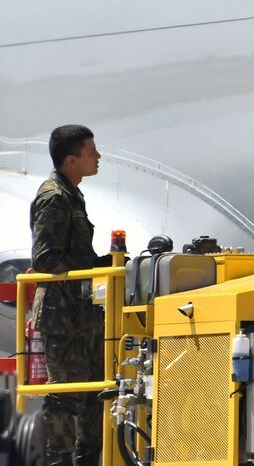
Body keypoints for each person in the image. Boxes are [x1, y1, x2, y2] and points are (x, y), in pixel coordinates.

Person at [30, 125, 113, 466]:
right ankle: (60, 460)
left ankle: (87, 458)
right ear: (70, 160)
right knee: (63, 393)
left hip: (81, 311)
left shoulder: (73, 194)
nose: (98, 157)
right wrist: (89, 268)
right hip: (62, 313)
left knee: (94, 390)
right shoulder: (54, 197)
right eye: (91, 152)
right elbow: (46, 257)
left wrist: (100, 265)